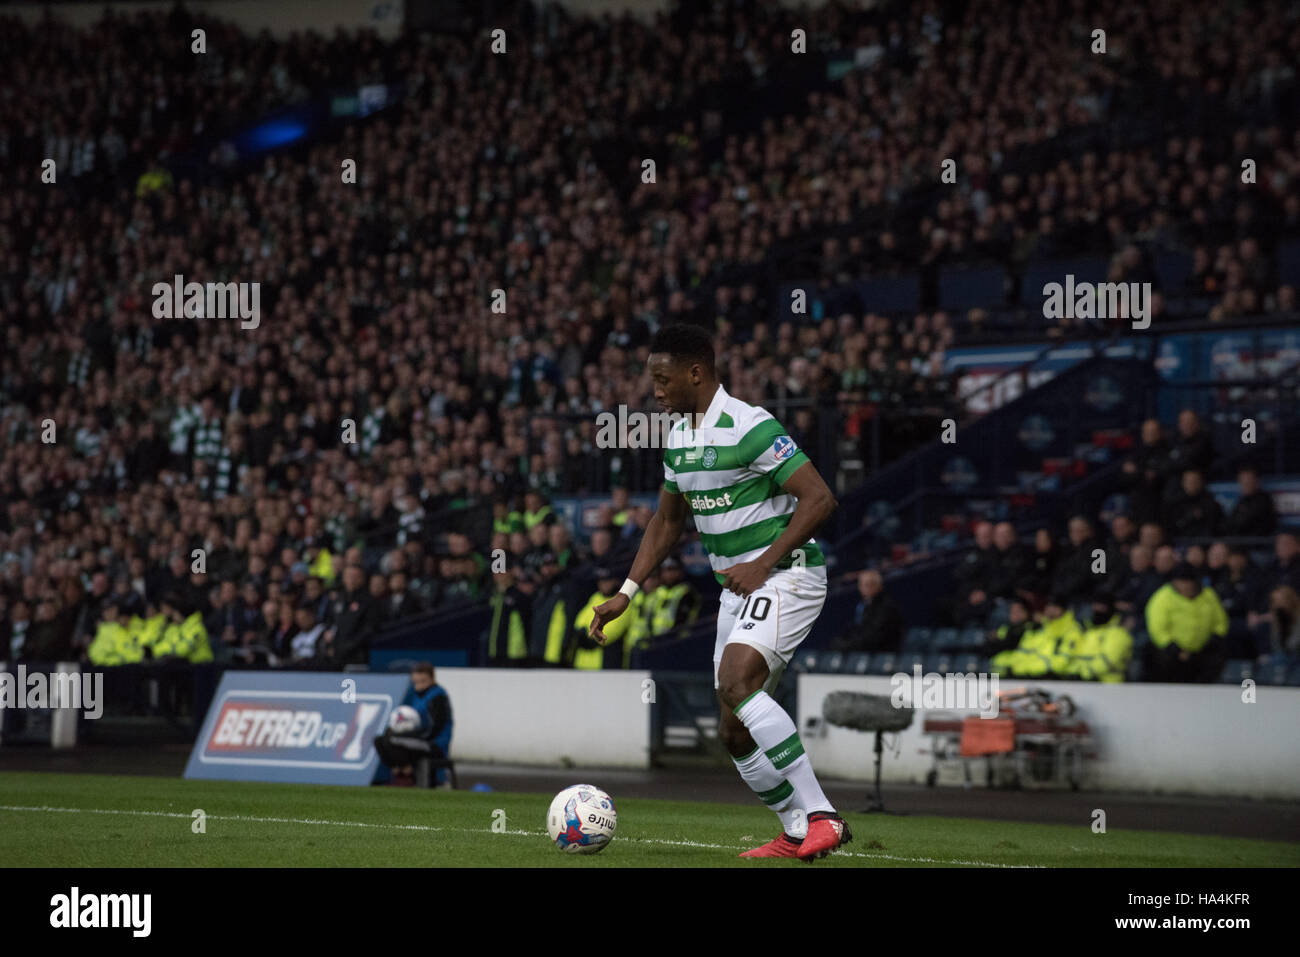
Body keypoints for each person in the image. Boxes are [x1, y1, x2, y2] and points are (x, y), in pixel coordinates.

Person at [586, 323, 849, 861]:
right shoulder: (679, 436)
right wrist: (626, 593)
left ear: (696, 372)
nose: (655, 391)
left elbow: (820, 499)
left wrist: (762, 563)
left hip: (790, 574)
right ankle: (797, 828)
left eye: (663, 379)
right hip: (738, 589)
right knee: (733, 732)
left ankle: (825, 815)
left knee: (735, 681)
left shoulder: (750, 426)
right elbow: (665, 521)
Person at [372, 663, 454, 787]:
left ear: (432, 679)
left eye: (423, 681)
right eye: (416, 682)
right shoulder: (415, 696)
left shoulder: (438, 696)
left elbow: (434, 729)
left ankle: (407, 775)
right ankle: (400, 770)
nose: (419, 685)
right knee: (380, 740)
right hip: (418, 739)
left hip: (433, 744)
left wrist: (411, 735)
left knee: (393, 740)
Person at [1145, 564, 1228, 682]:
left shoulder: (1208, 595)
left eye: (1188, 582)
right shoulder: (1163, 597)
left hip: (1204, 649)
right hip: (1173, 652)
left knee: (1217, 655)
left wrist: (1212, 640)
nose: (1185, 586)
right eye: (1181, 581)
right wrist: (1175, 650)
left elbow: (1221, 622)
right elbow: (1158, 629)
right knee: (1157, 656)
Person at [834, 569, 903, 653]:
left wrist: (849, 645)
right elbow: (857, 629)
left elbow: (875, 635)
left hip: (882, 651)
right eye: (863, 585)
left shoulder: (887, 607)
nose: (866, 588)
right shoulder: (864, 605)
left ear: (879, 586)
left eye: (871, 584)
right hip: (865, 647)